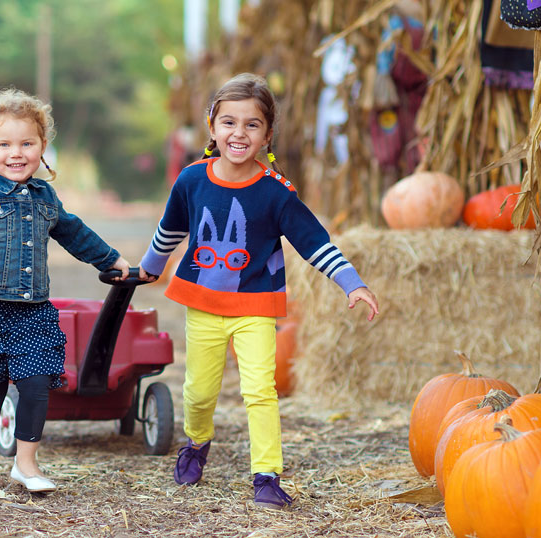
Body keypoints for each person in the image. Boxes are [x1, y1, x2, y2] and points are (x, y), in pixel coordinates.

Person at [136, 73, 379, 510]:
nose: (239, 133)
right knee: (199, 392)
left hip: (255, 305)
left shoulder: (276, 193)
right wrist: (148, 270)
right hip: (204, 303)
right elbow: (170, 231)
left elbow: (315, 243)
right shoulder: (191, 181)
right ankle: (196, 443)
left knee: (260, 391)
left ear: (268, 134)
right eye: (228, 122)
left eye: (252, 125)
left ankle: (266, 474)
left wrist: (352, 283)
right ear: (212, 126)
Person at [0, 88, 131, 494]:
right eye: (4, 144)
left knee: (36, 386)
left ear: (42, 146)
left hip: (31, 312)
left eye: (27, 144)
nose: (16, 153)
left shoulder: (44, 196)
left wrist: (111, 260)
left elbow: (73, 232)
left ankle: (26, 465)